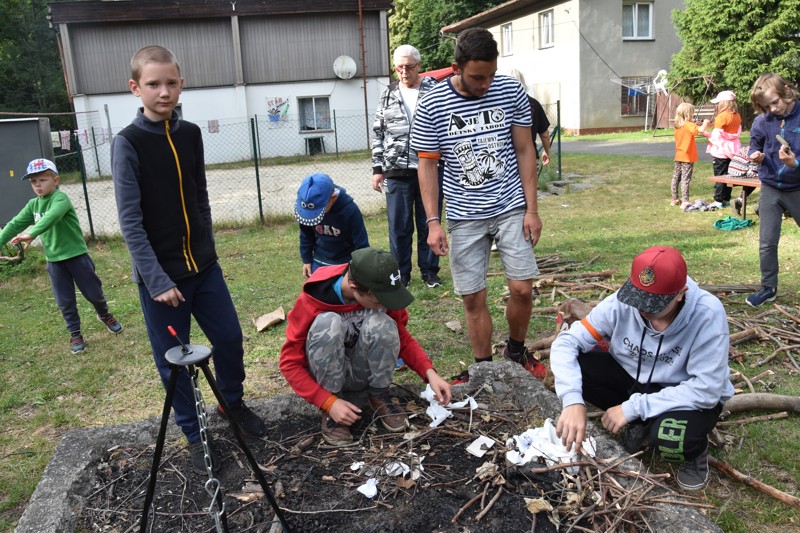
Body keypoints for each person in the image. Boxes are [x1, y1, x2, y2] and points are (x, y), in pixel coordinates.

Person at [110, 45, 266, 472]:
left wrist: (206, 244)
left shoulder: (191, 133)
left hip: (204, 269)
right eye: (153, 84)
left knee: (230, 340)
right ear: (135, 88)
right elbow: (130, 221)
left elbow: (200, 196)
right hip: (163, 283)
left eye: (171, 82)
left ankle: (232, 405)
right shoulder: (128, 143)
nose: (164, 91)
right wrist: (157, 280)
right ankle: (196, 436)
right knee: (176, 364)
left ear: (181, 84)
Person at [410, 27, 545, 382]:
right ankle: (483, 369)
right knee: (473, 298)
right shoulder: (432, 104)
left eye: (490, 75)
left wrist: (532, 209)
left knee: (522, 287)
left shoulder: (510, 90)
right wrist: (432, 222)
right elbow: (427, 165)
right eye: (476, 77)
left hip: (510, 204)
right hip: (463, 214)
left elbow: (524, 149)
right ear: (456, 68)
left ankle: (515, 351)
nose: (485, 84)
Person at [551, 246, 733, 491]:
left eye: (654, 303)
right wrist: (572, 400)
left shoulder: (707, 314)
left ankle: (695, 454)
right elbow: (567, 342)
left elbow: (707, 389)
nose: (642, 309)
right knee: (580, 366)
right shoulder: (623, 302)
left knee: (672, 438)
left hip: (685, 393)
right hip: (634, 379)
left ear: (681, 294)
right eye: (638, 298)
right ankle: (641, 424)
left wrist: (632, 407)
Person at [279, 247, 452, 446]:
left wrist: (429, 373)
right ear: (353, 285)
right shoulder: (312, 301)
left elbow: (402, 337)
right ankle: (332, 409)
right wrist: (327, 401)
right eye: (379, 301)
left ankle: (378, 394)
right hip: (327, 379)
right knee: (326, 323)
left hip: (363, 371)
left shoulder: (382, 292)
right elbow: (289, 363)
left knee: (384, 322)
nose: (384, 304)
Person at [0, 158, 123, 354]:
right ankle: (75, 334)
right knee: (65, 301)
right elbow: (15, 223)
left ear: (55, 180)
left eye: (42, 180)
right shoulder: (33, 205)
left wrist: (32, 233)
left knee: (94, 294)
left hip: (77, 257)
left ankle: (104, 314)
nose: (38, 185)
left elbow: (52, 217)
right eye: (33, 182)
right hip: (54, 262)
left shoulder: (60, 199)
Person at [371, 45, 443, 289]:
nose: (403, 71)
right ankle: (401, 274)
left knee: (429, 222)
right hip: (397, 170)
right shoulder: (388, 94)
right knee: (399, 227)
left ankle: (430, 271)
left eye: (409, 67)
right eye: (399, 67)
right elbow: (378, 133)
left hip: (430, 168)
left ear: (418, 66)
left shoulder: (435, 89)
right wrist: (377, 168)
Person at [745, 73, 800, 307]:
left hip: (797, 187)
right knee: (767, 241)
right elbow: (754, 145)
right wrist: (754, 156)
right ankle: (769, 288)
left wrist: (795, 164)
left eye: (775, 102)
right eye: (767, 106)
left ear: (787, 91)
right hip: (770, 187)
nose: (773, 109)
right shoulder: (763, 121)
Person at [295, 172, 369, 278]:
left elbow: (361, 241)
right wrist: (306, 260)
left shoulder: (349, 209)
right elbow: (306, 235)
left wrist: (362, 266)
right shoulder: (307, 210)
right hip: (319, 260)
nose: (313, 215)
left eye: (319, 211)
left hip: (346, 261)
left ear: (333, 198)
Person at [700, 90, 743, 209]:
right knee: (729, 176)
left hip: (721, 151)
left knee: (719, 176)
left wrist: (705, 133)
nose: (716, 105)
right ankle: (726, 199)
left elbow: (717, 136)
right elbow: (734, 131)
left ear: (723, 103)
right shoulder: (737, 115)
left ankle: (718, 200)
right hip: (733, 149)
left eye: (718, 103)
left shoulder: (721, 116)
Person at [508, 69, 552, 166]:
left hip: (506, 162)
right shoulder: (534, 104)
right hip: (529, 159)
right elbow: (545, 135)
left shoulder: (500, 106)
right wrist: (547, 152)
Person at [672, 102, 699, 209]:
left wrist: (694, 123)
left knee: (676, 178)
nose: (693, 115)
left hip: (679, 155)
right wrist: (705, 123)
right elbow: (699, 131)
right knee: (685, 179)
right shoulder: (689, 125)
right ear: (688, 114)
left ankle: (675, 199)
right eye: (692, 113)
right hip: (687, 157)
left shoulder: (678, 125)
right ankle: (685, 201)